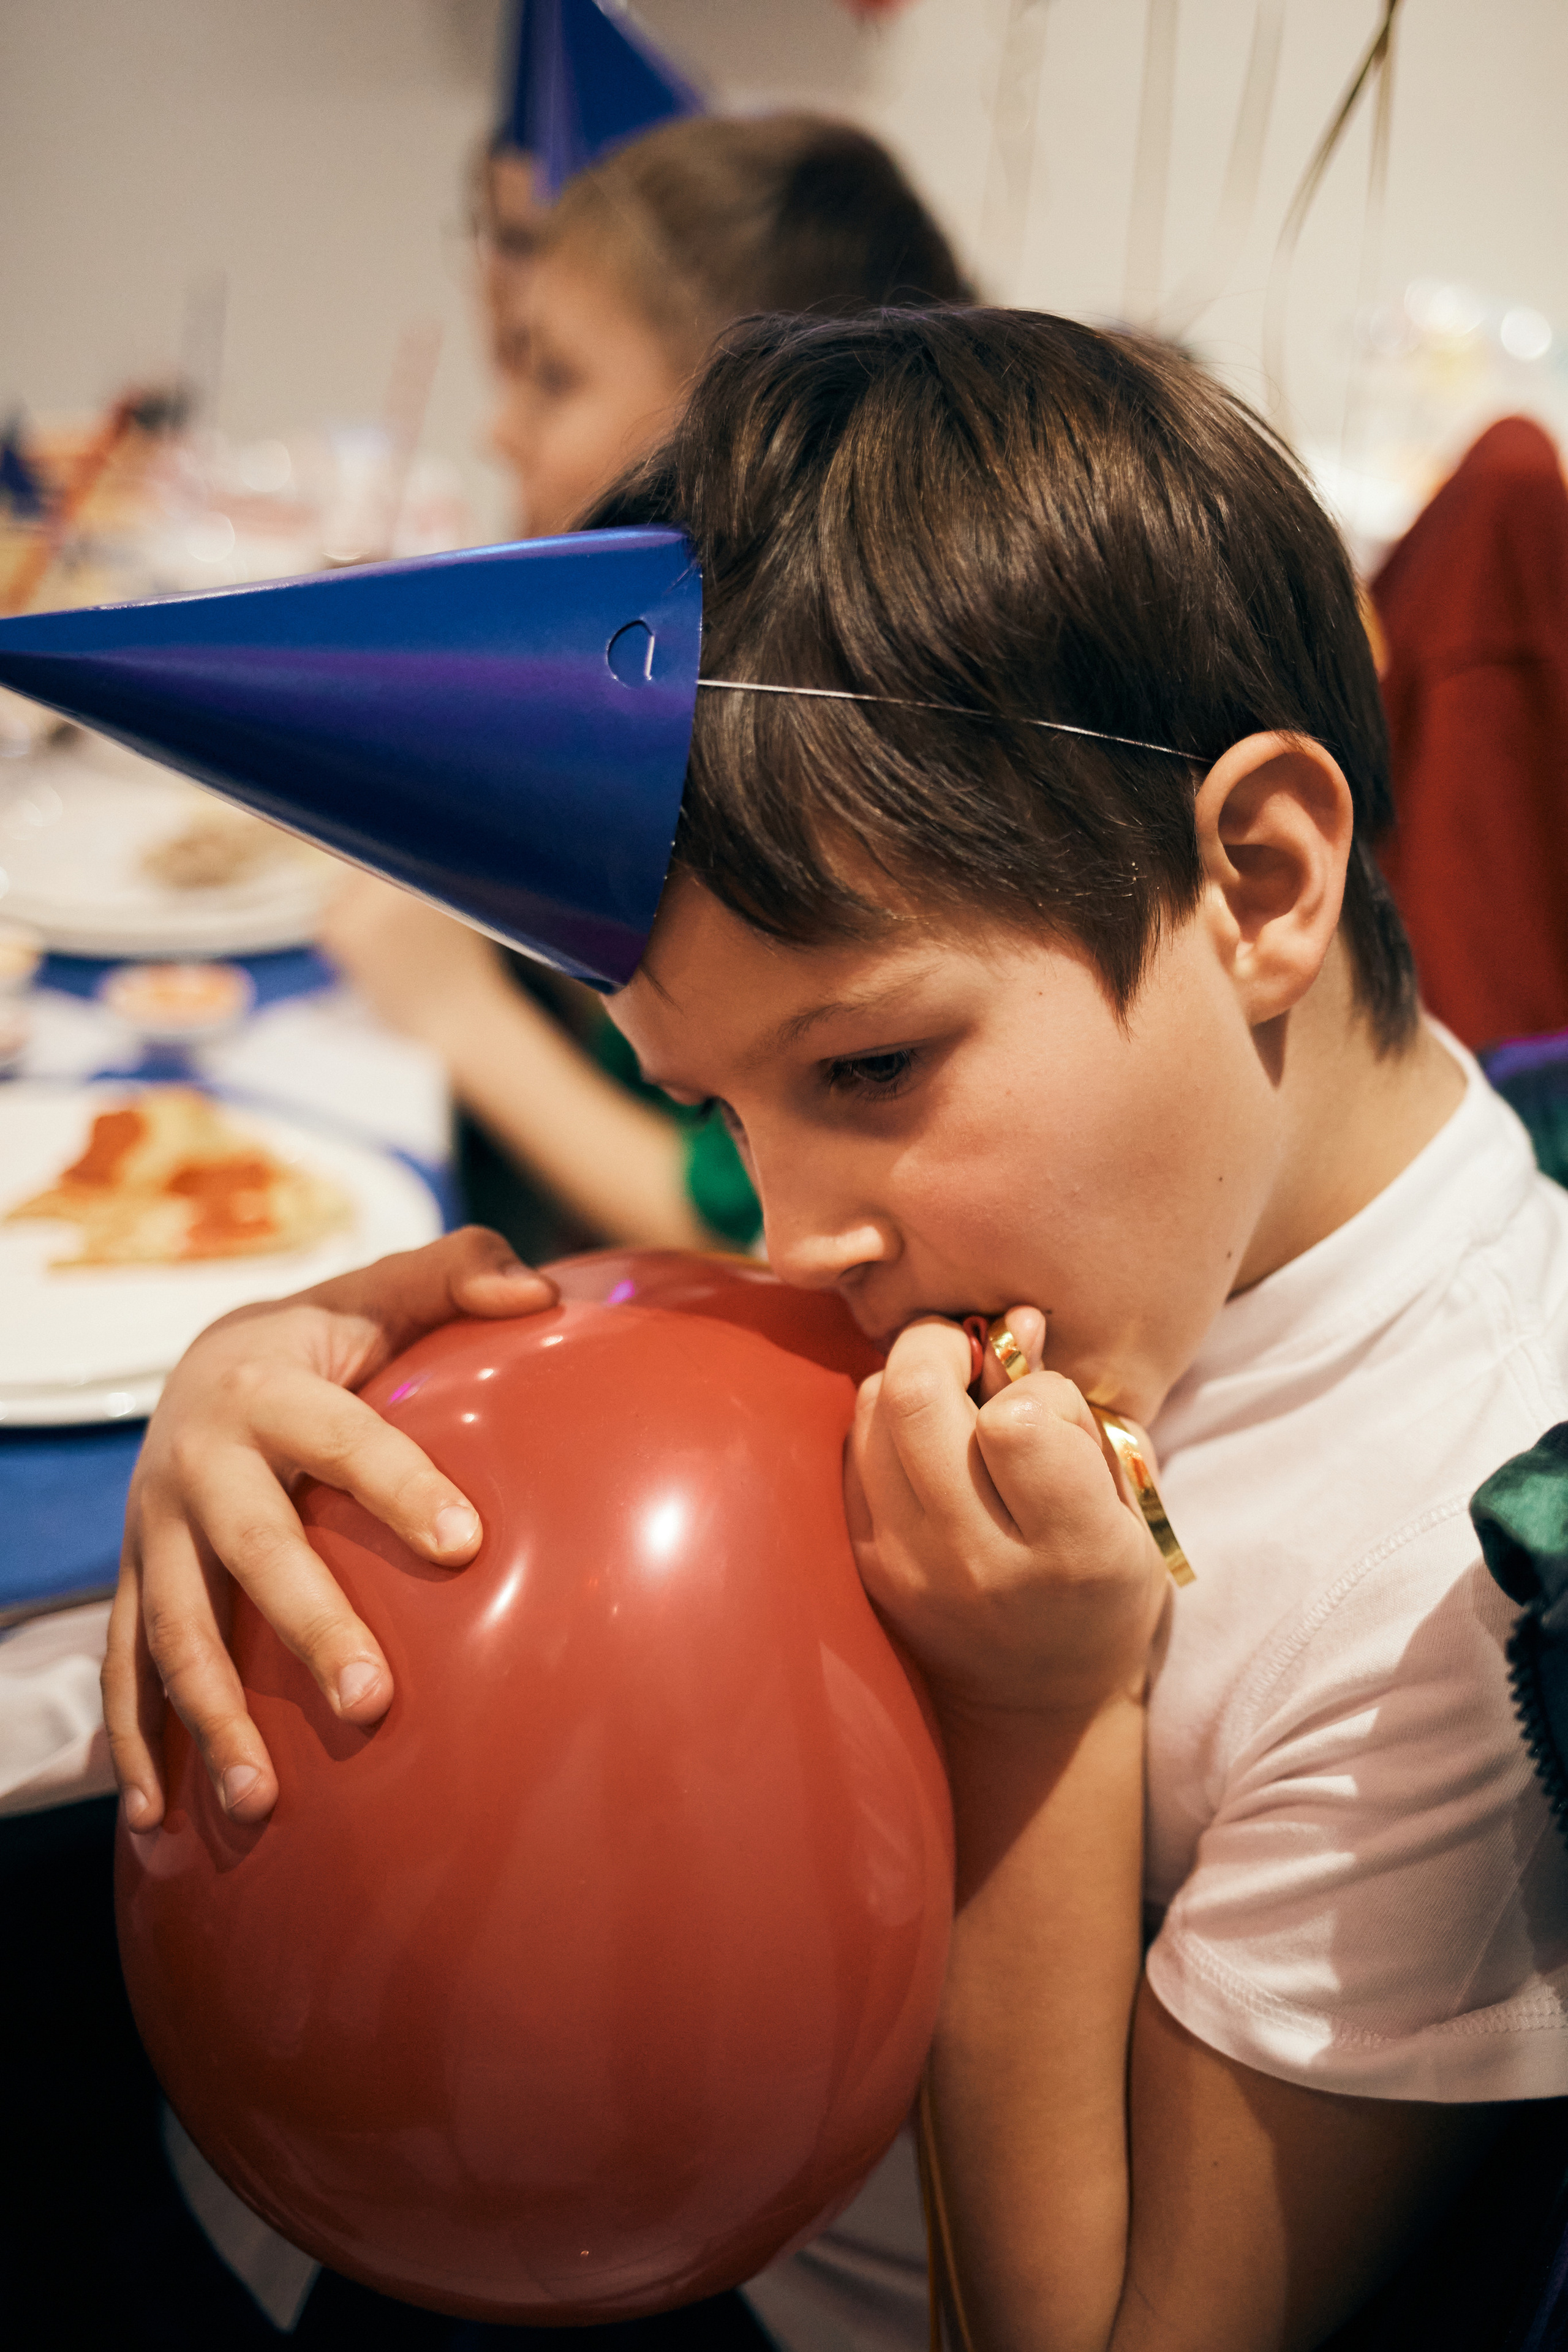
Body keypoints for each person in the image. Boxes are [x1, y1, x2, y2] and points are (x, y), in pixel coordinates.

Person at [107, 309, 1568, 2351]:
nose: (786, 1238)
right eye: (714, 1104)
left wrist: (1045, 1713)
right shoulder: (1010, 1250)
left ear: (1258, 879)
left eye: (870, 1070)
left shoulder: (1462, 1587)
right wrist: (287, 1398)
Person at [322, 113, 971, 1264]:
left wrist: (456, 1012)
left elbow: (745, 1226)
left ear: (734, 416)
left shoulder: (806, 750)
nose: (502, 428)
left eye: (553, 375)